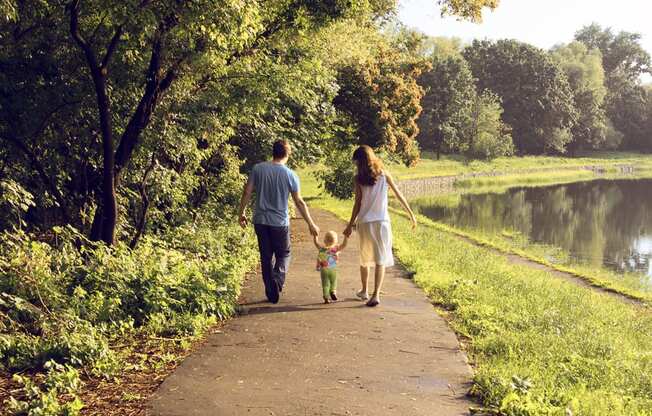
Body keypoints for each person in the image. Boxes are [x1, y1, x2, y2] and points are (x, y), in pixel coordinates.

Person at [238, 140, 320, 304]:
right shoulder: (290, 175)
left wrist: (241, 213)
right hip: (279, 222)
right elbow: (299, 202)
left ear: (273, 152)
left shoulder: (258, 169)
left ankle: (270, 288)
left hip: (260, 220)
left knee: (266, 256)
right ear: (287, 154)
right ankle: (277, 279)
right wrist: (311, 223)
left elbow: (247, 192)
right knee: (284, 254)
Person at [343, 145, 417, 307]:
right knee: (380, 258)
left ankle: (364, 290)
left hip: (364, 223)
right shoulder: (384, 175)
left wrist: (350, 225)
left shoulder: (358, 179)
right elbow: (398, 195)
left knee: (364, 258)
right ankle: (375, 294)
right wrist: (411, 214)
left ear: (359, 162)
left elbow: (357, 204)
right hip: (382, 222)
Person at [313, 231, 348, 304]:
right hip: (333, 269)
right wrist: (346, 237)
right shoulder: (336, 249)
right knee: (333, 282)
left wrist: (315, 236)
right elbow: (344, 245)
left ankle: (326, 297)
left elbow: (316, 243)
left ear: (324, 240)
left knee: (325, 284)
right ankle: (333, 291)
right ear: (335, 241)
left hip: (324, 270)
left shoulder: (322, 248)